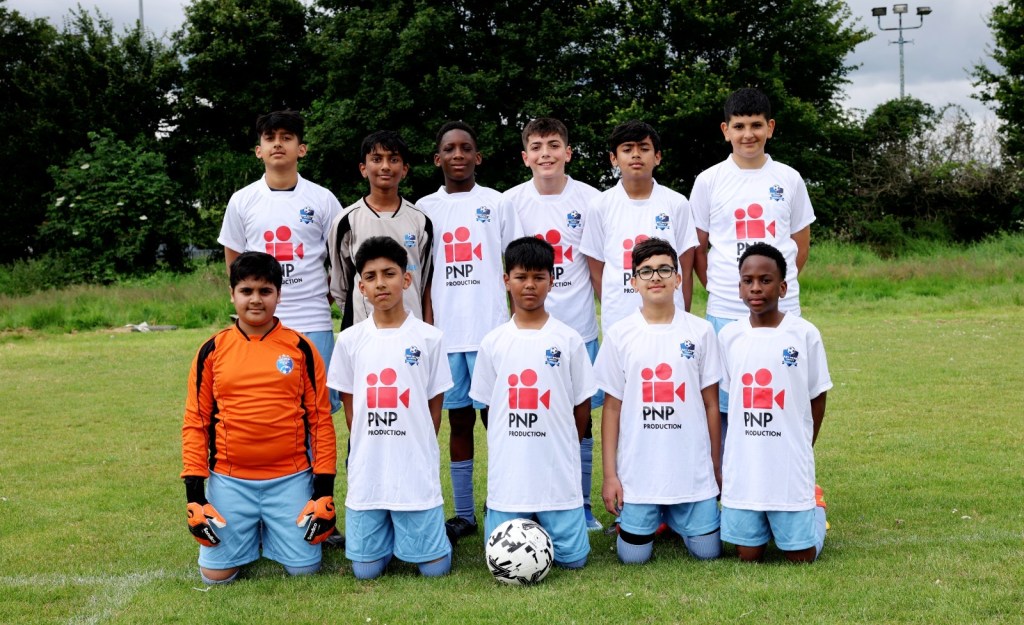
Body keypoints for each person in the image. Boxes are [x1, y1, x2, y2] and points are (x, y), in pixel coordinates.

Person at [181, 251, 337, 584]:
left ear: (278, 295)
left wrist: (323, 490)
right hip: (230, 480)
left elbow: (321, 421)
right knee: (215, 576)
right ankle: (251, 529)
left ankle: (270, 527)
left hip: (290, 478)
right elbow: (196, 422)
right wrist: (195, 496)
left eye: (265, 291)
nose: (255, 299)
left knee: (304, 570)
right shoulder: (212, 350)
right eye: (246, 291)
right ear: (232, 294)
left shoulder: (302, 349)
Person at [689, 87, 816, 446]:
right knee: (724, 402)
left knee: (781, 395)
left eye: (756, 125)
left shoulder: (789, 179)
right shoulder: (709, 181)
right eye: (739, 126)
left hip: (782, 310)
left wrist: (775, 289)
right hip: (726, 310)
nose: (748, 134)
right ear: (725, 130)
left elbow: (800, 245)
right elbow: (698, 247)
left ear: (770, 127)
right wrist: (720, 286)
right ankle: (726, 474)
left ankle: (784, 468)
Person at [417, 120, 522, 540]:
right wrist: (428, 325)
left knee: (500, 422)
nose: (457, 155)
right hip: (447, 337)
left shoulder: (497, 202)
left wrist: (516, 322)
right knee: (458, 423)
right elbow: (424, 274)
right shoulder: (424, 208)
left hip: (491, 334)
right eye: (449, 149)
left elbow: (515, 265)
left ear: (478, 157)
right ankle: (464, 514)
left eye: (465, 148)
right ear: (437, 158)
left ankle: (505, 501)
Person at [326, 236, 454, 579]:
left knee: (435, 569)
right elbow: (351, 410)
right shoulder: (350, 340)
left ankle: (422, 535)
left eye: (389, 273)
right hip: (369, 472)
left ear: (406, 279)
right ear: (361, 288)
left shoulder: (430, 338)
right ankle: (384, 536)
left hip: (414, 471)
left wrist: (417, 447)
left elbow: (433, 407)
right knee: (365, 571)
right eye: (370, 277)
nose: (380, 283)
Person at [500, 117, 604, 531]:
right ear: (525, 156)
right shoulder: (510, 202)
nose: (546, 153)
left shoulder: (591, 200)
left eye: (554, 145)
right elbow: (505, 271)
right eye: (537, 146)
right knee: (528, 417)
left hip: (578, 330)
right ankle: (524, 499)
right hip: (526, 333)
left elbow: (597, 267)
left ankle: (581, 504)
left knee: (582, 418)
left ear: (568, 152)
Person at [469, 236, 596, 570]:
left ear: (551, 281)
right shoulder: (493, 342)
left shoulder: (568, 339)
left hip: (557, 474)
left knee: (574, 560)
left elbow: (581, 404)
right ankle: (518, 514)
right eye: (521, 277)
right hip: (509, 476)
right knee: (499, 559)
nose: (529, 285)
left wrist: (565, 441)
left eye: (539, 277)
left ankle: (548, 519)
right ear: (506, 280)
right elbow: (488, 407)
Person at [594, 238, 723, 564]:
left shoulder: (701, 331)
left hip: (691, 473)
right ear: (633, 281)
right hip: (640, 475)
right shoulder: (620, 334)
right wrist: (611, 476)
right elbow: (612, 408)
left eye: (664, 269)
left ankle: (679, 517)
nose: (655, 277)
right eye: (646, 271)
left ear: (678, 279)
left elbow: (711, 404)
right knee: (632, 557)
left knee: (708, 553)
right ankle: (654, 517)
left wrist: (715, 466)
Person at [218, 110, 343, 413]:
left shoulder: (323, 199)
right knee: (267, 403)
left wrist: (321, 297)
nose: (277, 144)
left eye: (286, 138)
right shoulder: (242, 200)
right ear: (258, 150)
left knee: (316, 408)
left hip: (313, 320)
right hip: (262, 321)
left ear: (301, 149)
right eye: (270, 138)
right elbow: (235, 266)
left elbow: (341, 261)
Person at [718, 242, 831, 563]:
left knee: (801, 557)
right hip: (746, 466)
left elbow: (818, 395)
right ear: (739, 287)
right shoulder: (729, 336)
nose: (756, 287)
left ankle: (815, 506)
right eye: (748, 280)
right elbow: (728, 403)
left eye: (765, 280)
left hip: (789, 464)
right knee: (748, 555)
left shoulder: (804, 334)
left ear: (782, 287)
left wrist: (804, 443)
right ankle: (765, 523)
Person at [580, 119, 699, 341]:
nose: (636, 155)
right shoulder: (600, 206)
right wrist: (614, 304)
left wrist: (683, 314)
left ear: (657, 157)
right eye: (627, 149)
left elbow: (685, 265)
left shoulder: (677, 203)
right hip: (619, 317)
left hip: (670, 316)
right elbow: (596, 268)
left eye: (644, 148)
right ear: (614, 158)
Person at [328, 130, 433, 331]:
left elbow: (424, 279)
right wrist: (358, 314)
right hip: (363, 327)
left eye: (393, 159)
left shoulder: (420, 220)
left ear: (404, 169)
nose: (385, 166)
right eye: (377, 159)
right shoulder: (346, 221)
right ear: (363, 168)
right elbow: (340, 283)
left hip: (410, 329)